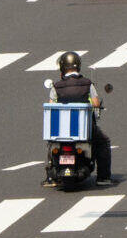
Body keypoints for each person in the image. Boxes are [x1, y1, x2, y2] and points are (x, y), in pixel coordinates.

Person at [46, 52, 114, 186]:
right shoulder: (87, 83)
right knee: (103, 142)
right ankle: (103, 177)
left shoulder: (56, 86)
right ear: (78, 66)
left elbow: (51, 105)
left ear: (62, 67)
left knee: (51, 143)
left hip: (62, 129)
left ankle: (50, 178)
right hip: (83, 128)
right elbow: (95, 103)